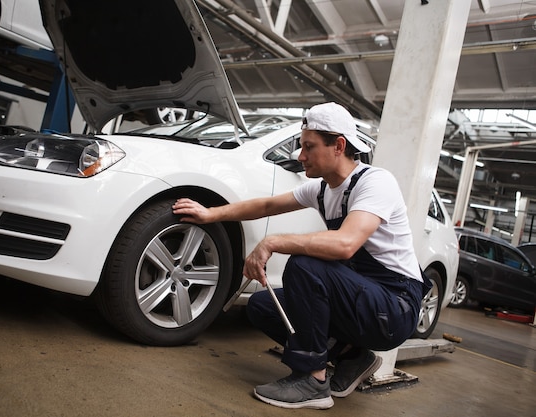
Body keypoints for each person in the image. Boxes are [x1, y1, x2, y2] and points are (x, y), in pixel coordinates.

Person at [172, 102, 430, 410]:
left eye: (308, 147)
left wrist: (273, 242)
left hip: (395, 306)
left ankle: (313, 380)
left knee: (306, 266)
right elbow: (266, 206)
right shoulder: (321, 190)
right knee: (263, 306)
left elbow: (346, 243)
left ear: (339, 145)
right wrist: (211, 213)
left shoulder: (374, 182)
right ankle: (351, 356)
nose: (300, 155)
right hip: (364, 298)